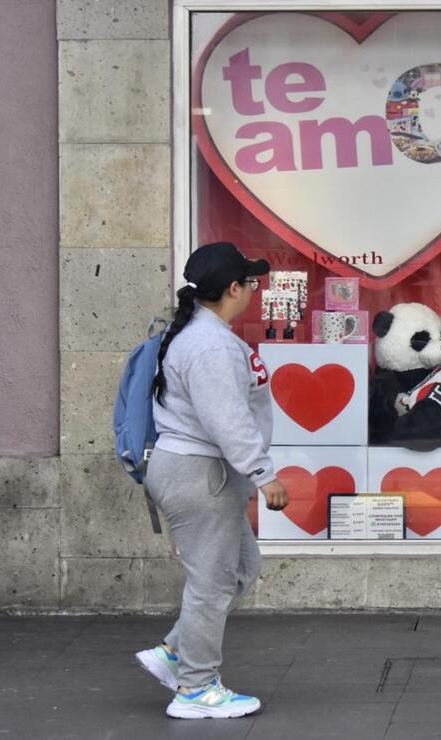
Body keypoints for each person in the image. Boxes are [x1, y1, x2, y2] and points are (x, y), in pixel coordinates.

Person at [135, 242, 289, 719]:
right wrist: (265, 475)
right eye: (250, 283)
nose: (254, 291)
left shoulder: (200, 334)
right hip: (200, 476)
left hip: (199, 473)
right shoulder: (210, 345)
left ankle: (175, 652)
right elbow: (228, 420)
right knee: (210, 584)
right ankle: (196, 689)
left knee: (241, 568)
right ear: (233, 289)